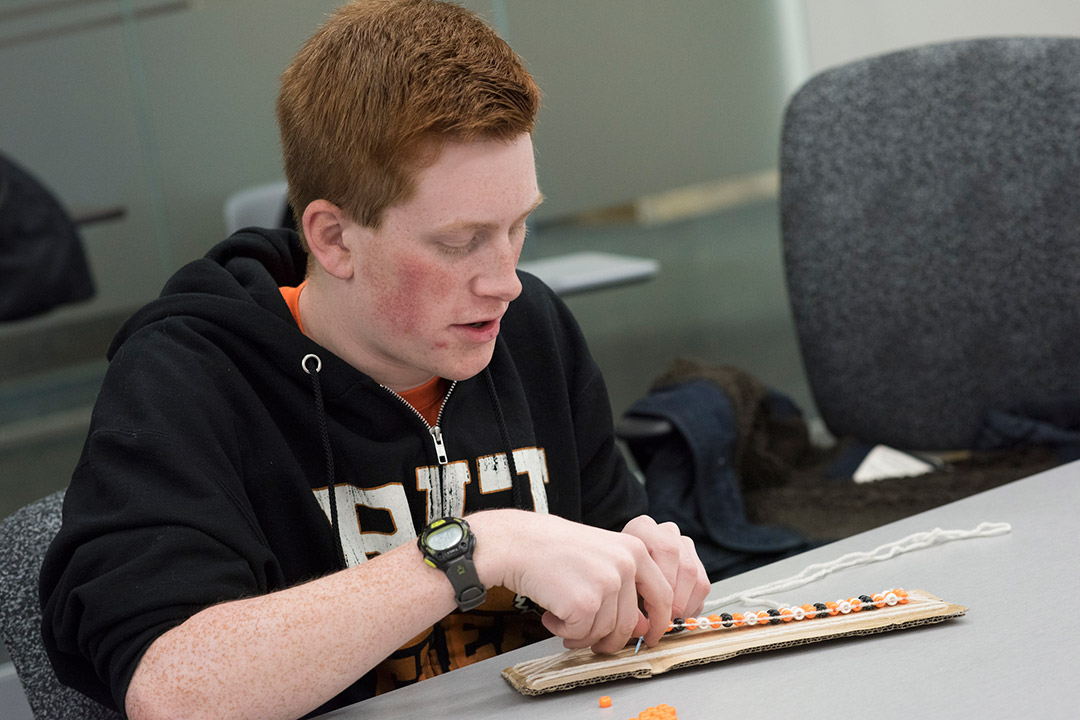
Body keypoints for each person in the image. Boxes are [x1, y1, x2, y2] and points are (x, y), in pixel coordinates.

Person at [39, 2, 710, 719]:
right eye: (460, 241)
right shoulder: (187, 376)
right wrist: (472, 549)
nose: (504, 280)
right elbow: (173, 692)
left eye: (517, 227)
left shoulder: (529, 328)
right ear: (332, 238)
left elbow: (601, 580)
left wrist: (637, 581)